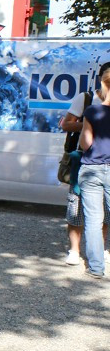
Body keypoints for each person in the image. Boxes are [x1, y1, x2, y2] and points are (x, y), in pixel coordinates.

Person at [62, 63, 110, 267]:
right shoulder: (86, 98)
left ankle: (99, 252)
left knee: (101, 214)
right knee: (77, 207)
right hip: (82, 160)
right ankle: (75, 250)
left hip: (95, 162)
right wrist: (91, 123)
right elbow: (66, 124)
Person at [77, 62, 110, 278]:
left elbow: (85, 143)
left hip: (91, 169)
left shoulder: (92, 110)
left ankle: (96, 268)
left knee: (93, 220)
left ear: (103, 84)